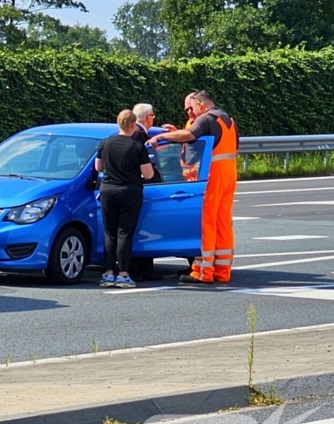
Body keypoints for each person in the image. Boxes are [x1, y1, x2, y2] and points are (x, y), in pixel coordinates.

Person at [147, 90, 239, 284]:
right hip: (229, 174)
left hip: (211, 176)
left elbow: (189, 135)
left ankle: (202, 272)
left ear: (200, 104)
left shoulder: (206, 119)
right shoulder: (228, 120)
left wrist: (166, 137)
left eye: (192, 107)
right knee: (222, 222)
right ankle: (222, 271)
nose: (191, 112)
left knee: (206, 223)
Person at [95, 109, 155, 288]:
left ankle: (107, 273)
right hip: (129, 191)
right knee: (124, 233)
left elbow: (98, 167)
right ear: (132, 125)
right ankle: (123, 274)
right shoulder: (137, 146)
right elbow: (148, 173)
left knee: (109, 233)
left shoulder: (105, 143)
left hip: (107, 190)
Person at [128, 103, 163, 281]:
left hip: (139, 187)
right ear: (148, 117)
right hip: (143, 187)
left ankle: (145, 269)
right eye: (153, 116)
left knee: (144, 227)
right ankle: (139, 269)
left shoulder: (138, 134)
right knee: (143, 228)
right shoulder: (139, 135)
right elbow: (144, 166)